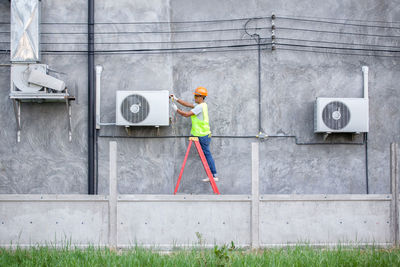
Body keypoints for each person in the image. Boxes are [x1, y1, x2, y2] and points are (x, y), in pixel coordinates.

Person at [170, 87, 219, 182]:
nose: (194, 97)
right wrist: (176, 99)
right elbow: (188, 104)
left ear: (201, 97)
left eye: (196, 96)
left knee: (207, 155)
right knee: (206, 155)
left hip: (202, 135)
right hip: (202, 134)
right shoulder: (202, 105)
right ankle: (213, 175)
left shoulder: (200, 107)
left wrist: (176, 110)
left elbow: (186, 114)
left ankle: (214, 175)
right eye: (194, 95)